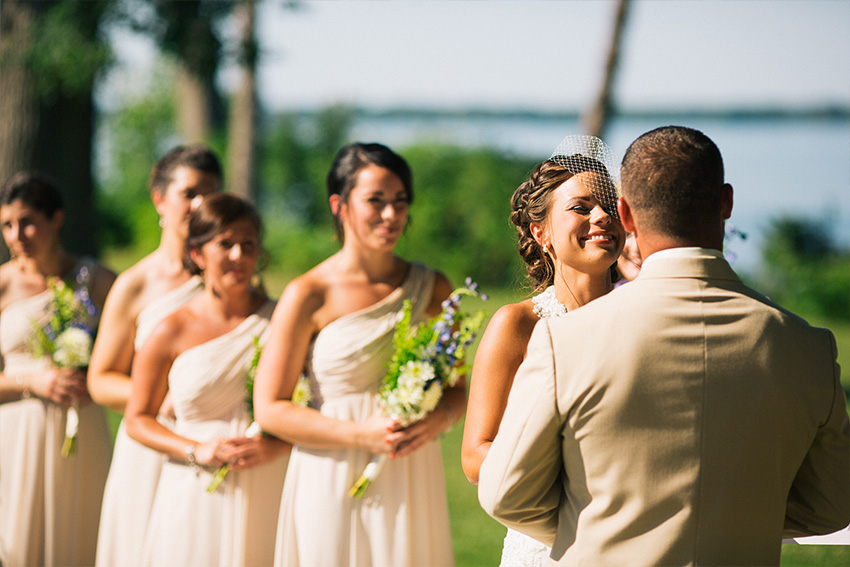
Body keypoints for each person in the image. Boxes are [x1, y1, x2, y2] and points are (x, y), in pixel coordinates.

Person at [478, 126, 850, 566]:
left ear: (626, 215)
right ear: (726, 202)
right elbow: (831, 504)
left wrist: (603, 525)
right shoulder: (810, 349)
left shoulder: (564, 342)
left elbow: (507, 495)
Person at [254, 142, 464, 567]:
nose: (391, 215)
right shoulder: (307, 294)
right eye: (376, 201)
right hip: (329, 470)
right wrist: (361, 435)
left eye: (400, 202)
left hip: (410, 467)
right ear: (340, 204)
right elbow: (270, 409)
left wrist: (436, 421)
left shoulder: (435, 289)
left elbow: (459, 386)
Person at [461, 135, 624, 567]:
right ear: (542, 232)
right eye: (581, 207)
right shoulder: (518, 326)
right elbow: (476, 456)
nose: (603, 216)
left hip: (635, 536)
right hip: (546, 543)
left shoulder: (647, 311)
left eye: (610, 205)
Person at [125, 193, 289, 567]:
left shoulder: (282, 322)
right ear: (198, 254)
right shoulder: (170, 329)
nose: (239, 256)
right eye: (225, 244)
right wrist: (195, 449)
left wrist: (276, 447)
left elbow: (309, 401)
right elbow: (137, 420)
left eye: (248, 244)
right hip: (195, 488)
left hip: (267, 481)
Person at [89, 144, 222, 566]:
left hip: (215, 441)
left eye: (211, 195)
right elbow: (101, 378)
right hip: (150, 447)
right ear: (160, 198)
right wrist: (156, 399)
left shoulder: (231, 278)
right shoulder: (135, 284)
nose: (201, 205)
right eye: (190, 193)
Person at [0, 171, 116, 566]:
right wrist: (32, 380)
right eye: (7, 225)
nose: (18, 235)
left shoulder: (96, 281)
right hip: (18, 429)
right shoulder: (1, 285)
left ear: (57, 219)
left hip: (80, 426)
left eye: (28, 221)